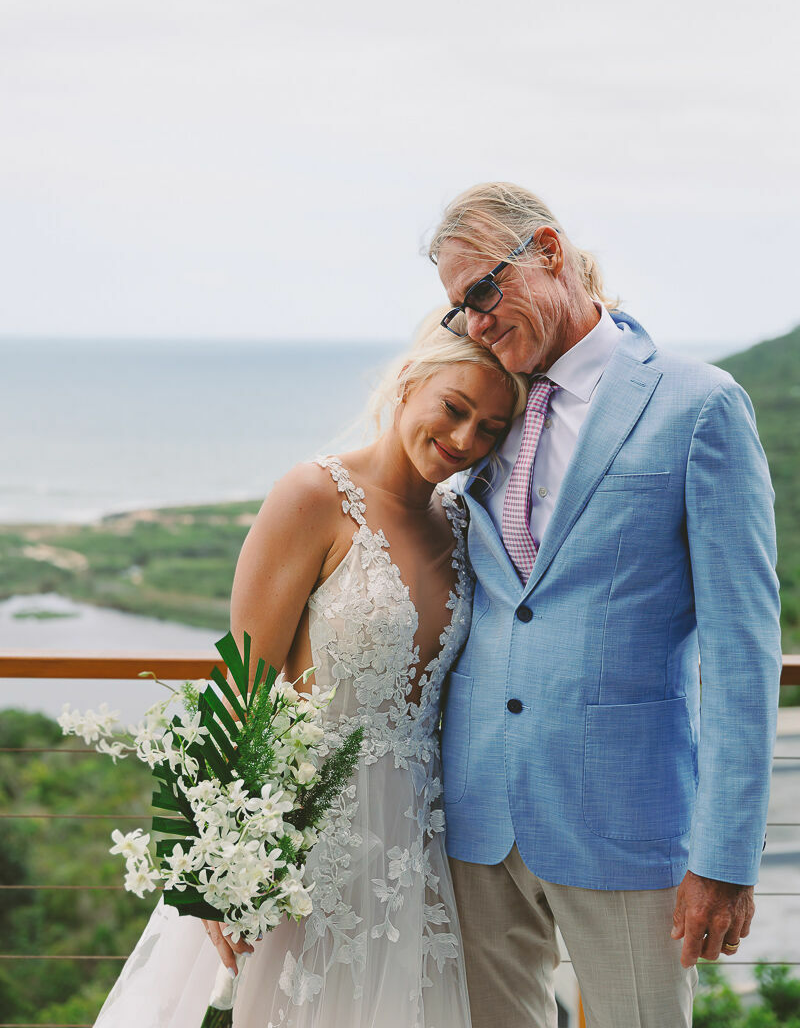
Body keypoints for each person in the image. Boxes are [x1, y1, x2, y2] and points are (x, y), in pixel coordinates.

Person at [94, 310, 527, 1028]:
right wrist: (215, 861)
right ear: (408, 382)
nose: (464, 440)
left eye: (490, 429)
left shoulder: (462, 524)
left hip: (416, 842)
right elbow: (244, 682)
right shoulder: (314, 495)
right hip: (299, 834)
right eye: (454, 408)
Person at [431, 181, 783, 1028]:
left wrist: (727, 854)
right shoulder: (486, 403)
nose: (475, 324)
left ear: (549, 251)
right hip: (476, 815)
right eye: (459, 310)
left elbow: (743, 650)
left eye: (483, 292)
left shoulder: (699, 405)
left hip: (627, 820)